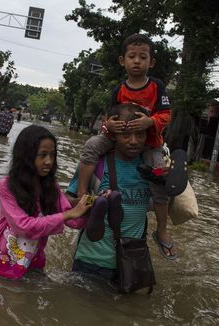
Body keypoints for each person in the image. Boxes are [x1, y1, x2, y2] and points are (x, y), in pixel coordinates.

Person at [75, 34, 177, 260]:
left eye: (143, 57)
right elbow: (109, 117)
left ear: (151, 62)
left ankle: (161, 230)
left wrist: (149, 122)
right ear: (123, 60)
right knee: (92, 145)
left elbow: (166, 115)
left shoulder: (157, 86)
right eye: (132, 56)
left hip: (150, 143)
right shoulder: (119, 89)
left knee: (160, 182)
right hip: (117, 137)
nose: (137, 61)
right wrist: (108, 125)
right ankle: (81, 193)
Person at [0, 125, 92, 279]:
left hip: (35, 261)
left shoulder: (51, 188)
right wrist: (67, 214)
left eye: (52, 155)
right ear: (26, 155)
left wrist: (91, 205)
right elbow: (23, 226)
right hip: (3, 260)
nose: (49, 161)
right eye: (42, 155)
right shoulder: (7, 186)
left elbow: (75, 222)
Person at [69, 103, 151, 281]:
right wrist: (93, 202)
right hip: (90, 262)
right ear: (113, 135)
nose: (134, 141)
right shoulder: (95, 165)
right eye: (125, 135)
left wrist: (169, 180)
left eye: (140, 134)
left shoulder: (152, 168)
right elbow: (68, 201)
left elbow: (171, 207)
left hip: (132, 263)